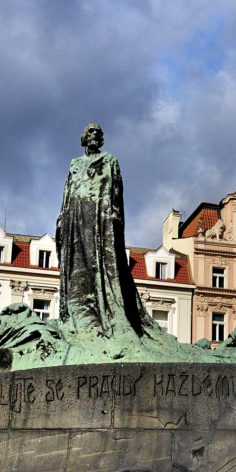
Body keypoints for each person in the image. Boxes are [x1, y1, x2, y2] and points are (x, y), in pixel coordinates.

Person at [55, 123, 162, 340]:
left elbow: (116, 193)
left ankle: (105, 314)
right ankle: (79, 314)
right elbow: (68, 191)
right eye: (91, 132)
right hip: (75, 217)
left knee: (101, 266)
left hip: (99, 220)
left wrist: (114, 216)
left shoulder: (110, 161)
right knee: (77, 266)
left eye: (98, 133)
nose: (95, 135)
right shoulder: (74, 164)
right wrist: (62, 216)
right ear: (84, 137)